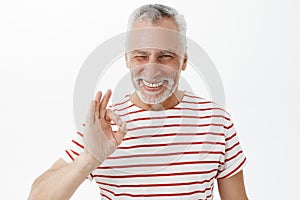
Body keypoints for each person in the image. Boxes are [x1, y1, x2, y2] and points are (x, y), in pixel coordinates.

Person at [28, 4, 248, 200]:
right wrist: (89, 159)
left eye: (165, 56)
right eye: (141, 56)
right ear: (126, 59)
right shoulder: (103, 126)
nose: (151, 71)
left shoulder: (216, 122)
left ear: (184, 60)